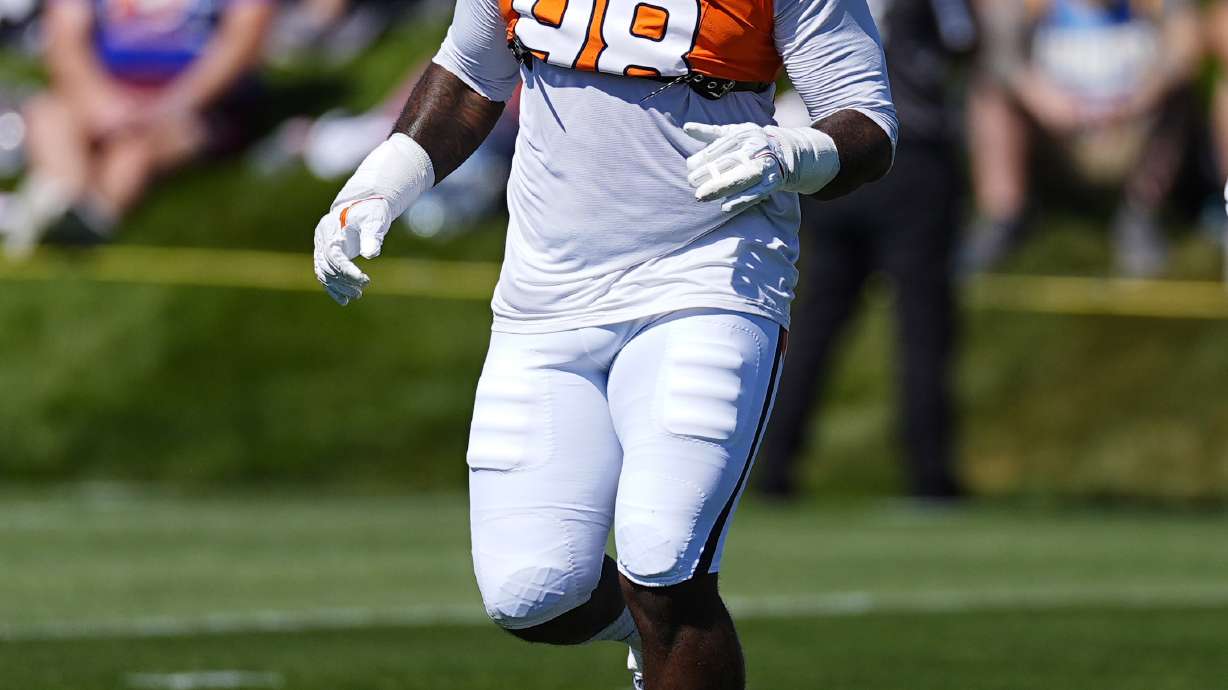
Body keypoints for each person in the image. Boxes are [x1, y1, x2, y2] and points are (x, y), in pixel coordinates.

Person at [311, 0, 896, 687]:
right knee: (531, 590)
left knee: (666, 562)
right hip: (546, 292)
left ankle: (661, 626)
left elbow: (868, 123)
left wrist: (793, 152)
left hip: (707, 271)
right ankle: (643, 635)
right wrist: (381, 183)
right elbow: (472, 74)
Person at [756, 0, 976, 502]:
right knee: (923, 323)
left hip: (831, 154)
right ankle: (930, 474)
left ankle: (776, 466)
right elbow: (961, 43)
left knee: (816, 318)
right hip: (908, 153)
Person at [0, 0, 273, 257]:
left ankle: (73, 220)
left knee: (133, 153)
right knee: (48, 116)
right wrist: (102, 102)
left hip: (197, 106)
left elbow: (242, 43)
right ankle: (62, 208)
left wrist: (169, 106)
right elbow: (65, 41)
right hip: (103, 94)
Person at [961, 0, 1199, 278]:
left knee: (1178, 96)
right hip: (1057, 136)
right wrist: (1036, 94)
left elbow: (1187, 44)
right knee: (991, 96)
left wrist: (1144, 94)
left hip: (1130, 131)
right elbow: (995, 52)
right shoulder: (1032, 5)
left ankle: (1141, 212)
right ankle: (1003, 216)